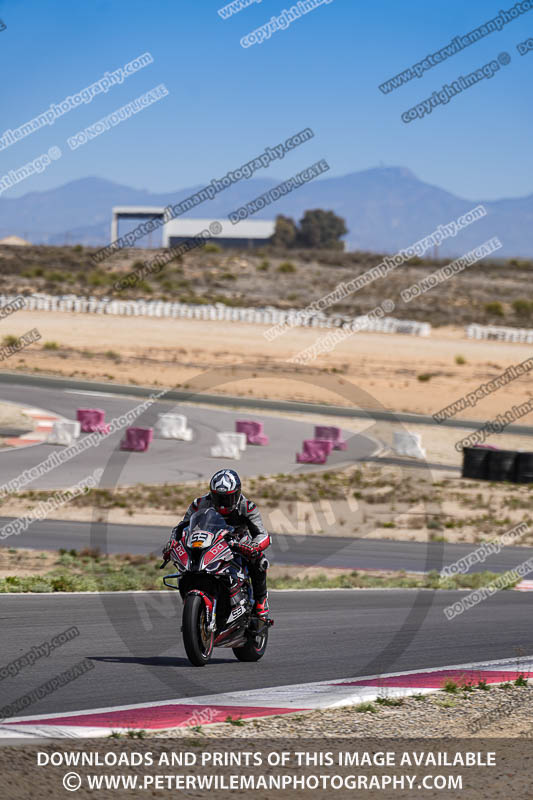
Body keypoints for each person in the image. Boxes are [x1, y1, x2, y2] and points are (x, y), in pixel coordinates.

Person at [163, 469, 271, 618]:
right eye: (218, 498)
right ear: (211, 494)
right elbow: (181, 527)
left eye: (227, 499)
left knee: (259, 560)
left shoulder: (247, 507)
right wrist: (173, 542)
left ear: (237, 493)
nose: (222, 505)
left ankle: (261, 599)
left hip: (238, 542)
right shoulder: (200, 503)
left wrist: (254, 547)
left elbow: (262, 534)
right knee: (189, 560)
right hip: (210, 540)